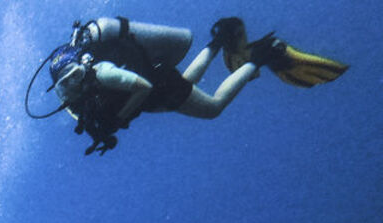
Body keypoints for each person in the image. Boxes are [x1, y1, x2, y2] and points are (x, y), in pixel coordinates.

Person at [28, 16, 348, 154]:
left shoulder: (102, 74)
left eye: (73, 76)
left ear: (82, 66)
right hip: (156, 81)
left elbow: (142, 88)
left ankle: (265, 54)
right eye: (65, 84)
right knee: (186, 84)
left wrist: (120, 118)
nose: (72, 84)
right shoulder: (75, 97)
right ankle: (218, 41)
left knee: (213, 107)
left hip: (153, 84)